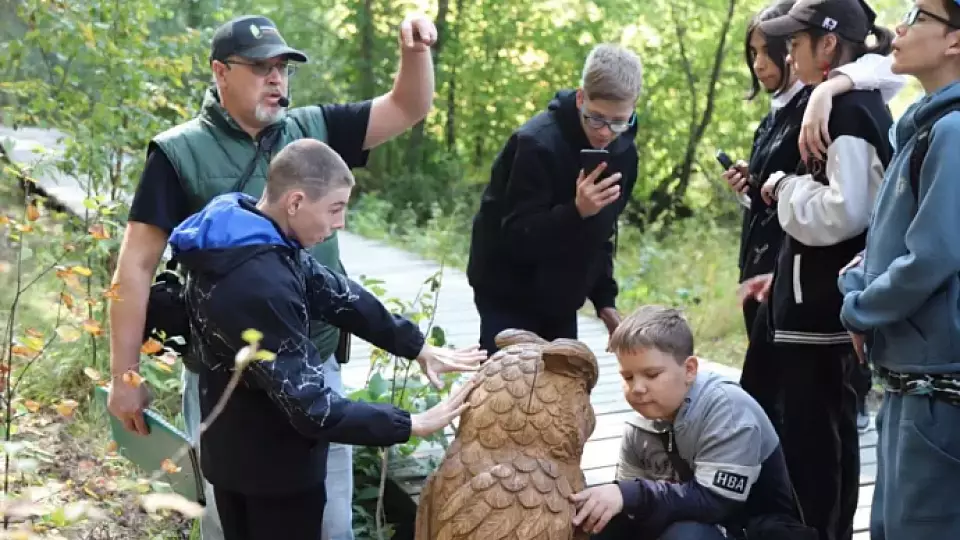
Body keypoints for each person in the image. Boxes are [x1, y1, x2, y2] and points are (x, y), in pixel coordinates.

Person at [106, 13, 440, 540]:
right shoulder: (178, 152)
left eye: (283, 67)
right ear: (220, 72)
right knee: (224, 522)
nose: (276, 78)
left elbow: (408, 107)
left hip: (314, 363)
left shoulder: (315, 130)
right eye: (260, 67)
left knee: (327, 523)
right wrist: (124, 377)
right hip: (227, 382)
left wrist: (415, 50)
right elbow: (136, 267)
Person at [167, 138, 485, 540]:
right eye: (335, 209)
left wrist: (417, 348)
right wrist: (410, 423)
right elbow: (311, 406)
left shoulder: (243, 228)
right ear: (296, 202)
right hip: (275, 478)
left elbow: (337, 293)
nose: (340, 224)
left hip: (232, 456)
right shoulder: (261, 284)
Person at [739, 1, 895, 538]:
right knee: (814, 434)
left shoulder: (849, 113)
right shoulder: (841, 101)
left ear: (828, 44)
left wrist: (784, 186)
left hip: (824, 313)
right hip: (808, 303)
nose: (788, 53)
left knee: (818, 444)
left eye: (797, 43)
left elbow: (846, 211)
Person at [838, 1, 960, 537]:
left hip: (938, 394)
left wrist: (861, 309)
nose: (901, 26)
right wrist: (860, 283)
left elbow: (932, 256)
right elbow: (894, 247)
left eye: (919, 15)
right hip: (908, 383)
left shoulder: (953, 131)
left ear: (955, 40)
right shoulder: (926, 127)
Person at [569, 306, 809, 540]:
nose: (637, 388)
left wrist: (629, 494)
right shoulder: (639, 425)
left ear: (690, 370)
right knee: (598, 519)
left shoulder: (728, 410)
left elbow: (714, 502)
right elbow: (630, 503)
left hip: (747, 526)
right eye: (628, 377)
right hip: (682, 520)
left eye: (652, 375)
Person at [465, 44, 643, 354]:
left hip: (561, 295)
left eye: (618, 121)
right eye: (596, 118)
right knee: (508, 393)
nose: (605, 133)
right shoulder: (536, 144)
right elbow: (517, 237)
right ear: (580, 98)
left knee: (562, 392)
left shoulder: (624, 151)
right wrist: (576, 212)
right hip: (506, 289)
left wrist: (604, 300)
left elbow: (601, 232)